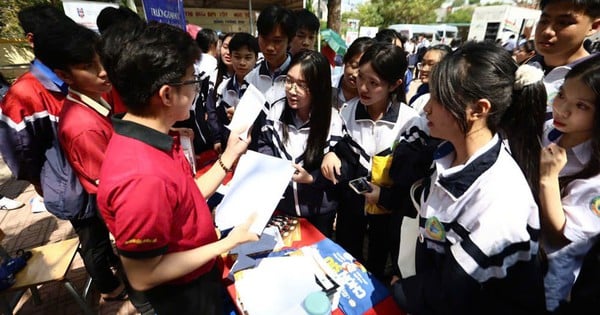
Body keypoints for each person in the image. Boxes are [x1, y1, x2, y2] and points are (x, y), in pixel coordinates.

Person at [96, 22, 259, 315]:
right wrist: (227, 243)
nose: (196, 89)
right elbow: (144, 274)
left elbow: (185, 195)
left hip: (198, 274)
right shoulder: (141, 177)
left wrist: (231, 154)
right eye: (191, 81)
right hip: (184, 294)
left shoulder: (153, 139)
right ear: (167, 95)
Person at [391, 41, 546, 315]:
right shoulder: (446, 155)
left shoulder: (501, 201)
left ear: (478, 109)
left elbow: (453, 292)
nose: (427, 108)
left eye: (438, 98)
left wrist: (404, 291)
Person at [321, 43, 418, 280]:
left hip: (387, 217)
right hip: (349, 212)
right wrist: (329, 152)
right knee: (346, 265)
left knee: (376, 271)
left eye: (373, 83)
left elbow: (413, 184)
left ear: (394, 84)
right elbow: (332, 147)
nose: (362, 87)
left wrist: (383, 198)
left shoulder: (411, 123)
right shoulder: (345, 113)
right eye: (361, 77)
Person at [53, 22, 127, 302]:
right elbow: (109, 183)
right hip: (114, 204)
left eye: (103, 62)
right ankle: (115, 289)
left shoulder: (97, 97)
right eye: (89, 66)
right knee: (98, 245)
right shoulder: (82, 126)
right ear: (64, 75)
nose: (103, 72)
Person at [258, 50, 344, 237]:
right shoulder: (276, 111)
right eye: (289, 81)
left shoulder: (334, 121)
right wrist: (275, 167)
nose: (292, 90)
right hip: (283, 207)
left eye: (302, 85)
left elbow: (341, 171)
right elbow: (263, 144)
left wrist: (312, 179)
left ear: (318, 87)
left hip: (319, 212)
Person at [538, 54, 600, 312]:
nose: (562, 109)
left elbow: (562, 237)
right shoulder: (548, 129)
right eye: (562, 95)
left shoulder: (595, 174)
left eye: (582, 106)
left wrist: (548, 179)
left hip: (546, 282)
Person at [0, 4, 74, 194]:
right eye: (56, 35)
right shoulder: (22, 95)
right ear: (31, 40)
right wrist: (47, 185)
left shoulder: (80, 76)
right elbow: (20, 154)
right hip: (72, 194)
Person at [529, 0, 600, 115]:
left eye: (563, 22)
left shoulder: (594, 80)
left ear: (593, 26)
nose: (547, 31)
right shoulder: (525, 66)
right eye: (544, 21)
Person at [208, 32, 259, 153]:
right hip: (231, 151)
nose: (242, 62)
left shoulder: (262, 88)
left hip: (256, 150)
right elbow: (217, 117)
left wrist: (241, 118)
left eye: (248, 57)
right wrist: (218, 139)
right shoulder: (222, 88)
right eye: (237, 56)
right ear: (230, 56)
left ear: (256, 58)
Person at [331, 37, 375, 109]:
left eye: (362, 72)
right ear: (345, 60)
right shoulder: (328, 84)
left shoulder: (371, 97)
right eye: (354, 66)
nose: (355, 74)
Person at [409, 44, 452, 113]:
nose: (423, 69)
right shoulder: (422, 90)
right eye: (423, 64)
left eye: (431, 64)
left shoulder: (449, 100)